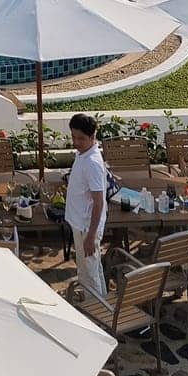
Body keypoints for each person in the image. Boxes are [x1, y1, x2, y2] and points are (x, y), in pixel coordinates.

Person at [66, 111, 108, 296]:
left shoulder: (92, 162)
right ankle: (102, 308)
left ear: (92, 137)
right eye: (74, 137)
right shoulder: (83, 153)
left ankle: (96, 319)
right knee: (90, 271)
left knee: (89, 276)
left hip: (86, 228)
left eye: (81, 138)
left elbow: (98, 203)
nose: (76, 142)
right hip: (80, 224)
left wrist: (90, 237)